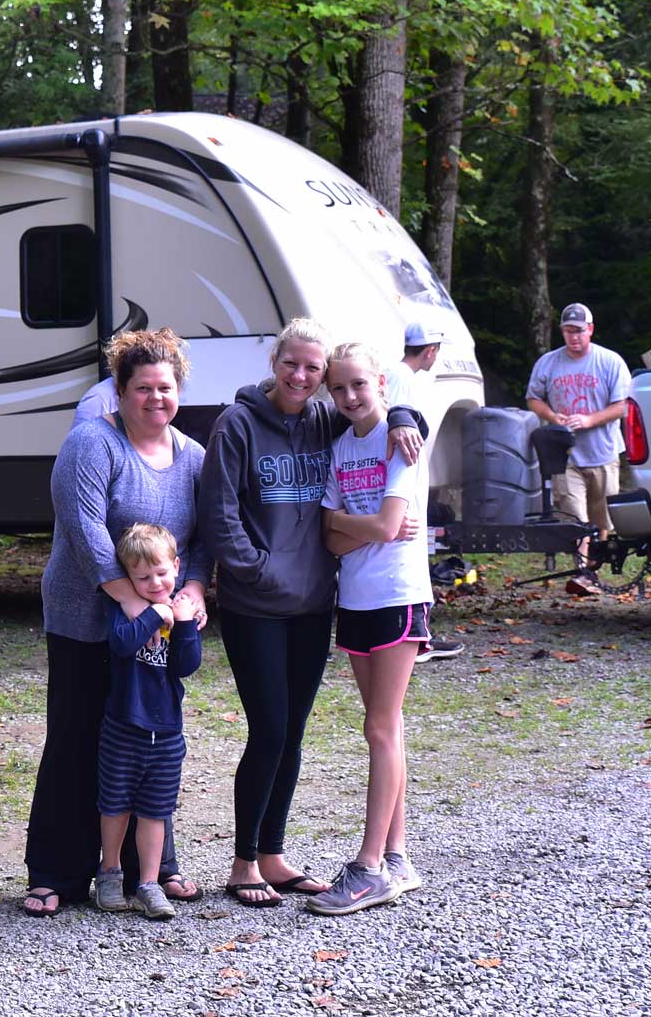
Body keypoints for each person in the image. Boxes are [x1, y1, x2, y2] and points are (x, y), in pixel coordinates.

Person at [199, 318, 427, 908]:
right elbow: (219, 515)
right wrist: (259, 571)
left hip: (315, 605)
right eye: (291, 364)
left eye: (312, 369)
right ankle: (243, 861)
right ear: (274, 363)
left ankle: (273, 855)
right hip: (257, 605)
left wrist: (405, 417)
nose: (301, 377)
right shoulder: (238, 425)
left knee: (293, 733)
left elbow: (382, 407)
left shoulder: (328, 419)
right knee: (269, 728)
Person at [23, 329, 212, 917]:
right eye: (142, 388)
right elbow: (84, 530)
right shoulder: (92, 444)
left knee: (146, 741)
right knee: (78, 739)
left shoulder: (195, 459)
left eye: (166, 387)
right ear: (120, 391)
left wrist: (195, 591)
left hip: (153, 629)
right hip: (86, 617)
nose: (156, 398)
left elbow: (203, 539)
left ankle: (150, 870)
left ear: (180, 389)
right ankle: (56, 871)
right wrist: (129, 598)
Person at [308, 340, 430, 915]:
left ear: (381, 382)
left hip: (397, 597)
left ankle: (368, 865)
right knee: (385, 728)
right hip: (354, 599)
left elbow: (387, 525)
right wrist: (355, 525)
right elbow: (331, 537)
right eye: (339, 388)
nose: (350, 395)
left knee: (380, 729)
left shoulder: (400, 441)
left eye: (360, 384)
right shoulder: (339, 447)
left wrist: (347, 522)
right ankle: (398, 857)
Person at [94, 524, 203, 920]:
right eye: (142, 577)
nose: (154, 582)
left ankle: (149, 884)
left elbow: (186, 666)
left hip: (167, 732)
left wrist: (184, 623)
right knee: (115, 805)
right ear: (129, 579)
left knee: (156, 811)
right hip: (123, 727)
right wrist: (154, 614)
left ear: (176, 566)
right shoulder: (125, 611)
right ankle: (109, 875)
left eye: (161, 573)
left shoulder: (182, 613)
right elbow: (122, 644)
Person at [525, 302, 633, 586]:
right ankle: (582, 572)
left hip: (603, 451)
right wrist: (552, 416)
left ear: (591, 330)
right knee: (575, 517)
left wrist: (589, 420)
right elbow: (533, 398)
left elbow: (622, 407)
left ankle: (593, 567)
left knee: (602, 518)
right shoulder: (548, 362)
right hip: (565, 455)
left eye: (579, 331)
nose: (573, 337)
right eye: (568, 331)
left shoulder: (610, 362)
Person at [386, 321, 462, 663]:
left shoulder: (401, 376)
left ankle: (419, 636)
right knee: (411, 558)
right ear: (430, 350)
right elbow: (399, 431)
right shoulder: (401, 378)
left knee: (418, 554)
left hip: (408, 487)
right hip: (403, 489)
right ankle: (413, 639)